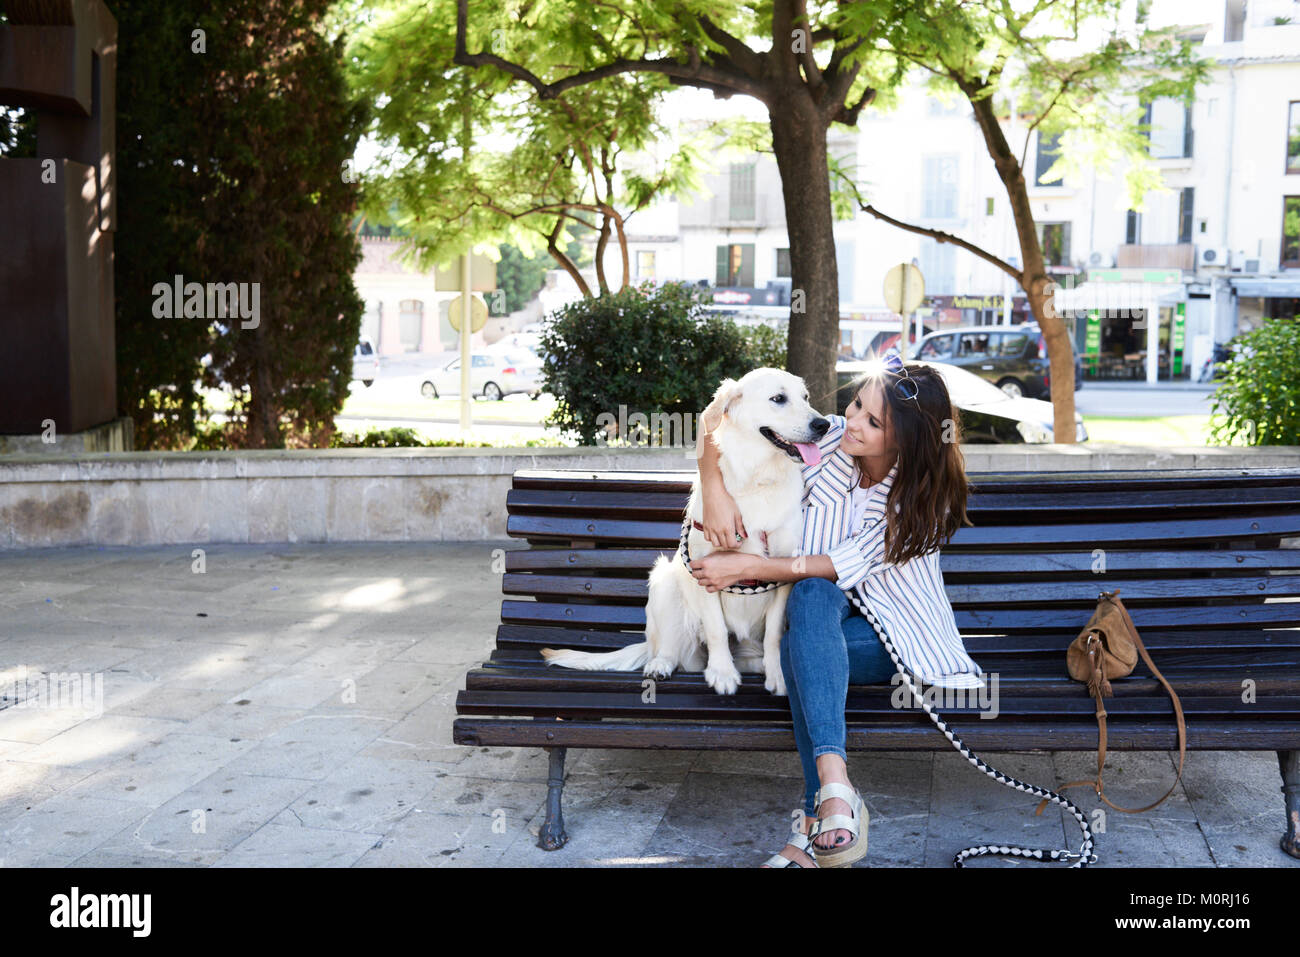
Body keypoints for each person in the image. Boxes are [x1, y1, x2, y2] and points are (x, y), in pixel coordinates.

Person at [691, 352, 986, 867]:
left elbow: (834, 564)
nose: (849, 422)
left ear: (906, 440)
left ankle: (814, 816)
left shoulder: (923, 504)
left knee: (807, 639)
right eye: (855, 405)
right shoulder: (823, 442)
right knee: (810, 609)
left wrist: (744, 568)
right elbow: (718, 422)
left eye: (873, 423)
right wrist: (713, 489)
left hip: (890, 636)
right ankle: (835, 794)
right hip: (819, 615)